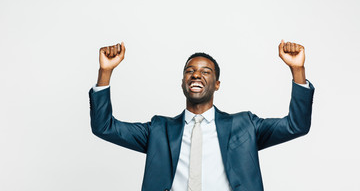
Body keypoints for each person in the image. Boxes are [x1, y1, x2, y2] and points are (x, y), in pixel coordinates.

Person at [89, 40, 315, 191]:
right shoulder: (159, 130)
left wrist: (297, 70)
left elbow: (296, 125)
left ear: (216, 84)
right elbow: (104, 127)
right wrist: (105, 72)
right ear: (182, 83)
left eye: (205, 71)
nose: (196, 74)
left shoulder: (245, 125)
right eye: (190, 71)